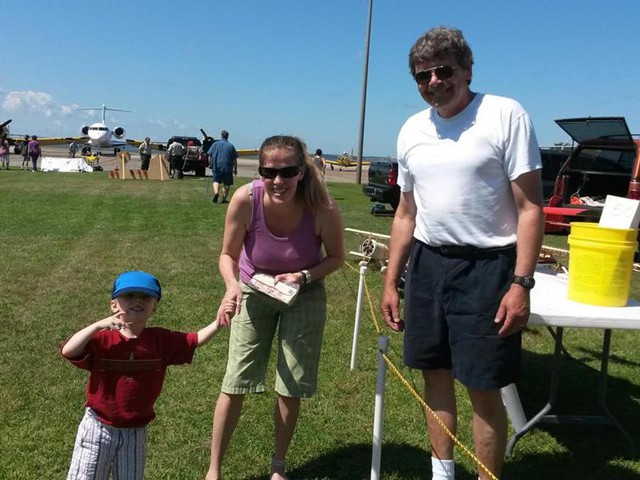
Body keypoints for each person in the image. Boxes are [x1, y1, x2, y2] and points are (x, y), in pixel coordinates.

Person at [380, 27, 544, 480]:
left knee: (483, 386)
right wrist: (391, 280)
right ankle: (443, 473)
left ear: (467, 69)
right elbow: (405, 213)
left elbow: (531, 208)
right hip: (428, 265)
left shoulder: (505, 114)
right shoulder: (411, 130)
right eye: (422, 76)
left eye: (444, 70)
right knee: (434, 375)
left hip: (488, 268)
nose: (434, 82)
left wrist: (520, 283)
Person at [205, 135, 345, 480]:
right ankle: (214, 470)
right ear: (260, 172)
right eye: (268, 172)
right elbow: (227, 255)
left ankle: (278, 466)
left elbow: (336, 257)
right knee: (235, 379)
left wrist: (302, 276)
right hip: (254, 290)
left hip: (303, 294)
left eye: (287, 172)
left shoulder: (322, 207)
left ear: (302, 172)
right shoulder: (245, 199)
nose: (277, 181)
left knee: (290, 383)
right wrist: (232, 286)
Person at [61, 270, 234, 480]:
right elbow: (69, 351)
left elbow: (195, 340)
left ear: (154, 307)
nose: (137, 301)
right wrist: (97, 326)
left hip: (135, 431)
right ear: (114, 305)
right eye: (129, 296)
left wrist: (219, 322)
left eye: (145, 297)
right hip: (98, 428)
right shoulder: (103, 339)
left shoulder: (160, 340)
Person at [207, 130, 238, 203]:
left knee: (216, 181)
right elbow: (234, 159)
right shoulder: (231, 146)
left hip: (216, 166)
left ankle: (216, 192)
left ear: (221, 136)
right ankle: (224, 199)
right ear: (228, 136)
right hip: (227, 167)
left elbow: (209, 155)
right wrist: (235, 169)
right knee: (226, 184)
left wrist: (210, 164)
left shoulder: (215, 144)